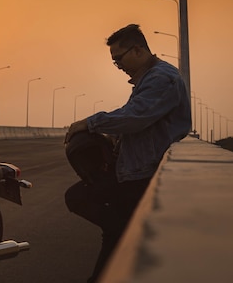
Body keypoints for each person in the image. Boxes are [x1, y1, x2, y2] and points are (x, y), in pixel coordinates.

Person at [64, 23, 191, 282]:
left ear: (137, 50)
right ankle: (124, 236)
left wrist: (90, 122)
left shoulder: (161, 78)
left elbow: (137, 116)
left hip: (143, 175)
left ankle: (127, 234)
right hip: (134, 170)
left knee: (81, 199)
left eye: (118, 59)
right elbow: (138, 122)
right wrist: (115, 137)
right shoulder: (149, 79)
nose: (117, 65)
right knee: (105, 229)